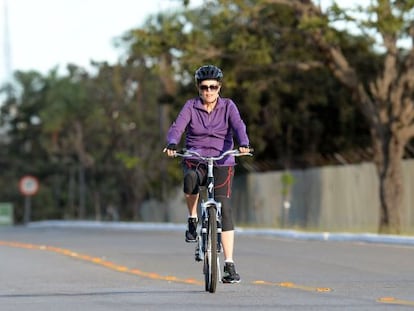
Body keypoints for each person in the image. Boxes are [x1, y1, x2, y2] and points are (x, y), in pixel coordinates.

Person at [164, 65, 250, 284]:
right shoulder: (191, 107)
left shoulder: (229, 106)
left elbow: (239, 126)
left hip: (222, 161)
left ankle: (229, 264)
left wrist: (244, 143)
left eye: (213, 87)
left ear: (219, 87)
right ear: (198, 88)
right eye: (204, 87)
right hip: (196, 158)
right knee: (190, 179)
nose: (208, 91)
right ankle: (193, 218)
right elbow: (177, 127)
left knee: (226, 208)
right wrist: (172, 143)